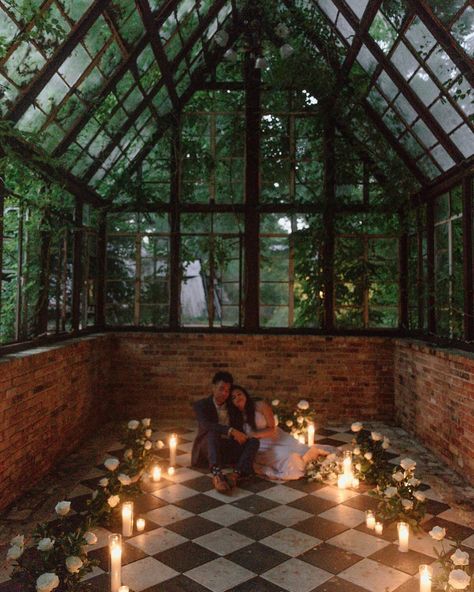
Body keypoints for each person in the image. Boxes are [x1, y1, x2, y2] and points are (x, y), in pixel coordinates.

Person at [230, 385, 336, 481]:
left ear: (245, 395)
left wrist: (255, 435)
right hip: (260, 446)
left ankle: (319, 463)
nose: (238, 398)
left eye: (239, 394)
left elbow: (272, 428)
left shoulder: (260, 406)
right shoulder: (235, 417)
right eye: (234, 397)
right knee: (288, 458)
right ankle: (308, 467)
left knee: (303, 451)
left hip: (275, 437)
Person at [191, 372, 260, 493]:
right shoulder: (201, 405)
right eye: (221, 389)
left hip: (227, 448)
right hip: (208, 448)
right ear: (213, 387)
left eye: (227, 390)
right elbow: (206, 425)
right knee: (213, 432)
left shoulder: (232, 405)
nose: (224, 393)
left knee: (254, 441)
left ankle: (235, 475)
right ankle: (217, 475)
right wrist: (231, 430)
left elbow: (241, 423)